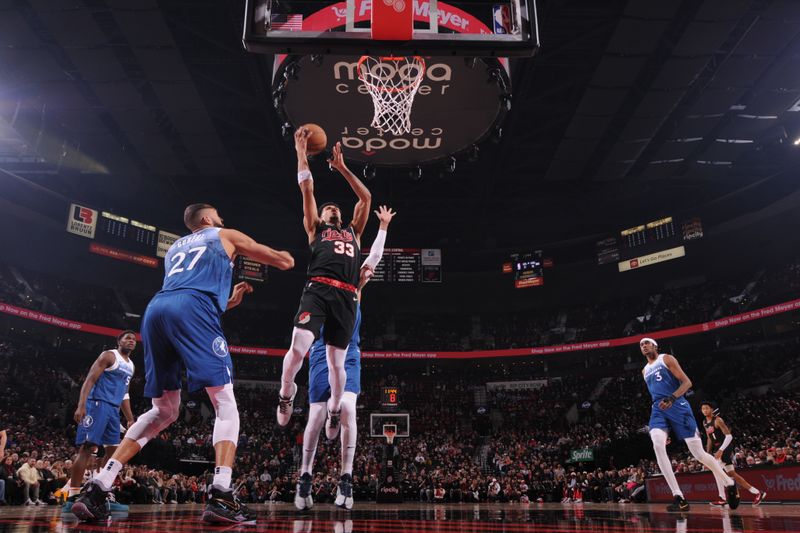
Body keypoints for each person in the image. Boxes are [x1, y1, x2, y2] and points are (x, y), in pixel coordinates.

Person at [72, 204, 294, 524]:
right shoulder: (224, 234)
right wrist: (295, 252)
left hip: (157, 310)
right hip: (191, 308)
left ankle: (99, 486)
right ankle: (221, 493)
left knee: (164, 410)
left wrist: (229, 300)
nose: (222, 218)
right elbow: (283, 261)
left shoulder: (176, 247)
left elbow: (188, 299)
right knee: (224, 402)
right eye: (218, 214)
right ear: (206, 219)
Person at [295, 205, 396, 511]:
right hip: (319, 356)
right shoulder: (319, 282)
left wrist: (383, 227)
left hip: (348, 354)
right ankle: (305, 477)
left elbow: (374, 259)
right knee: (314, 416)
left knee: (349, 409)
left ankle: (346, 478)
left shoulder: (353, 288)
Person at [277, 128, 372, 440]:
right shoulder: (315, 228)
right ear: (320, 214)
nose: (331, 208)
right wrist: (300, 150)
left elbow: (366, 197)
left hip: (346, 296)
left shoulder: (355, 232)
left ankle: (334, 410)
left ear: (341, 216)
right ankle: (286, 393)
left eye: (335, 208)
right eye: (327, 207)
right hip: (317, 289)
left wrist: (343, 168)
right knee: (299, 346)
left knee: (336, 366)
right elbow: (306, 187)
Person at [640, 337, 740, 512]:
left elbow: (687, 383)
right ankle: (679, 497)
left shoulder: (666, 359)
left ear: (655, 346)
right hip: (658, 408)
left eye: (647, 343)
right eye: (641, 345)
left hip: (678, 405)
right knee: (657, 444)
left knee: (698, 454)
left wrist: (672, 398)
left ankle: (729, 483)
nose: (644, 346)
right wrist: (667, 429)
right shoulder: (644, 370)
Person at [63, 331, 136, 512]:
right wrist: (81, 405)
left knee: (114, 454)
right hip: (97, 404)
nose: (131, 341)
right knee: (87, 448)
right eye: (127, 338)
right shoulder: (109, 355)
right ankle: (73, 495)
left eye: (134, 339)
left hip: (113, 409)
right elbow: (90, 379)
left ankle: (100, 491)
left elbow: (125, 393)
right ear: (118, 341)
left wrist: (130, 418)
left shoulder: (131, 365)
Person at [700, 401, 767, 506]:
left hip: (725, 446)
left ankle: (722, 498)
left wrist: (721, 450)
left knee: (715, 469)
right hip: (717, 448)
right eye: (703, 409)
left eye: (707, 408)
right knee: (732, 474)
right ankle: (758, 492)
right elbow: (709, 439)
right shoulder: (704, 422)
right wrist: (707, 454)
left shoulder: (718, 420)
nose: (705, 410)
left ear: (712, 409)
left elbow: (729, 436)